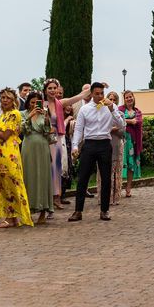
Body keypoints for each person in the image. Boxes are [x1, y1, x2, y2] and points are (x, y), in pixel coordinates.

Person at [68, 82, 124, 222]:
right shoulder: (85, 109)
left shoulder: (111, 106)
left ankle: (104, 210)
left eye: (102, 93)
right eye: (97, 93)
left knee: (106, 178)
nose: (100, 96)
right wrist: (75, 146)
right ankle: (78, 211)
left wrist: (111, 108)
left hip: (105, 144)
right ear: (91, 94)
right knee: (83, 178)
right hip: (90, 144)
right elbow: (79, 129)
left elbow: (122, 124)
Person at [0, 87, 33, 228]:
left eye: (7, 98)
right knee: (4, 184)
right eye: (2, 98)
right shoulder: (2, 116)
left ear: (13, 100)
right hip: (0, 153)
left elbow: (5, 135)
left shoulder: (14, 114)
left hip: (9, 155)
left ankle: (14, 216)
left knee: (12, 183)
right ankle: (11, 217)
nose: (4, 100)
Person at [44, 79, 91, 209]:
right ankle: (47, 199)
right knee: (48, 169)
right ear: (45, 90)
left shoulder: (60, 103)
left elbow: (79, 97)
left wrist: (94, 87)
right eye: (50, 88)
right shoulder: (42, 105)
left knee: (58, 168)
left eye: (55, 88)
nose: (53, 91)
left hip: (58, 139)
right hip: (46, 140)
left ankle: (56, 197)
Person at [21, 91, 54, 224]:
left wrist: (46, 119)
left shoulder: (45, 113)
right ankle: (27, 210)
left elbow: (48, 131)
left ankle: (43, 211)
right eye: (32, 102)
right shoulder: (23, 114)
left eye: (37, 102)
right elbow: (23, 129)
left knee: (42, 176)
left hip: (42, 147)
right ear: (28, 102)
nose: (35, 104)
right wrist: (30, 116)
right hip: (28, 147)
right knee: (28, 176)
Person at [96, 91, 126, 206]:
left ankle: (115, 197)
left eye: (114, 100)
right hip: (103, 145)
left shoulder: (120, 114)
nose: (112, 102)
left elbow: (122, 130)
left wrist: (114, 129)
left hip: (116, 145)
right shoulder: (100, 113)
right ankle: (103, 197)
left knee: (116, 172)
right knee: (102, 172)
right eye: (110, 99)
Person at [119, 90, 143, 197]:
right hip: (122, 141)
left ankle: (128, 188)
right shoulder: (120, 109)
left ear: (133, 98)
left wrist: (126, 120)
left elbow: (138, 121)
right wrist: (129, 121)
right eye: (127, 97)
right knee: (119, 164)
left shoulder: (137, 111)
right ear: (124, 99)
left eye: (130, 97)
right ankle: (118, 187)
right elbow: (117, 119)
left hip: (133, 142)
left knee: (131, 165)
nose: (129, 99)